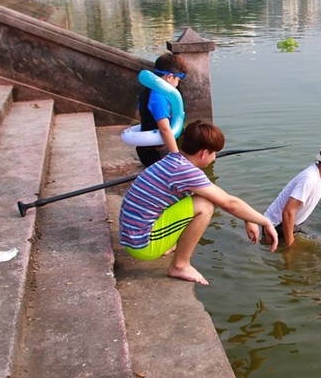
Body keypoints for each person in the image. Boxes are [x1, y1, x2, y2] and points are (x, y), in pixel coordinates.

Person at [119, 120, 279, 285]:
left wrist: (249, 218)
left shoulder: (173, 159)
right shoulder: (187, 172)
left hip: (131, 234)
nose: (214, 157)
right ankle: (180, 266)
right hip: (142, 245)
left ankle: (169, 243)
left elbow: (221, 196)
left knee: (203, 198)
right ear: (204, 153)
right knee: (204, 206)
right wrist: (265, 221)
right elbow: (229, 203)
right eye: (214, 153)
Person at [135, 52, 187, 167]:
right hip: (156, 151)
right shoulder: (159, 97)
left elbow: (138, 115)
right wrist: (176, 156)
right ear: (169, 77)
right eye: (178, 79)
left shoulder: (147, 90)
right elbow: (164, 129)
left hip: (144, 149)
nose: (178, 83)